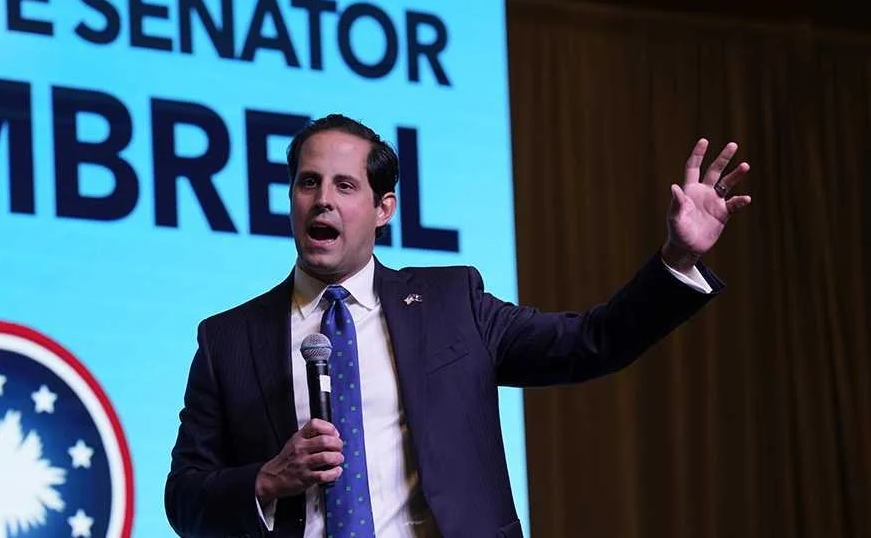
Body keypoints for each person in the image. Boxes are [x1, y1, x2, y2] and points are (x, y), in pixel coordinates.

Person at [164, 114, 752, 538]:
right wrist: (268, 478)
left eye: (345, 186)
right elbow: (184, 498)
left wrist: (676, 260)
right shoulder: (227, 339)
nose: (323, 201)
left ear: (383, 208)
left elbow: (591, 343)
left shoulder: (451, 302)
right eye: (308, 182)